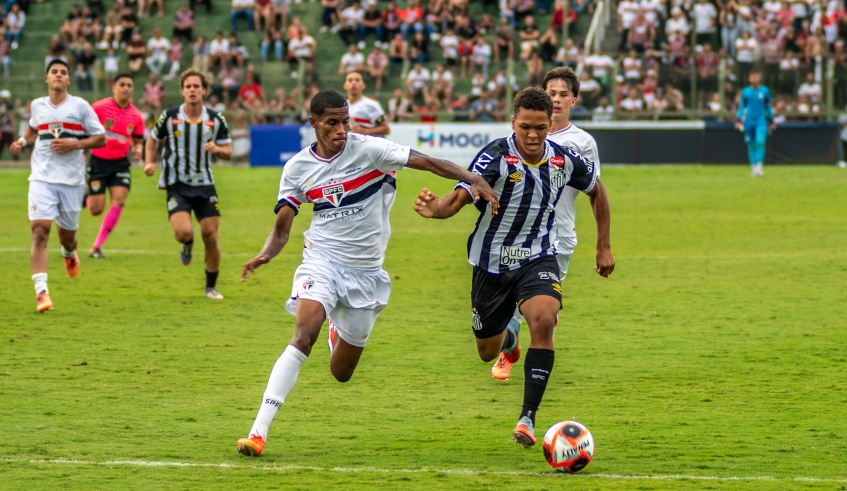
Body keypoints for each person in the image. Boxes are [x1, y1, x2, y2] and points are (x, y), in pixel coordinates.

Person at [234, 90, 498, 457]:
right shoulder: (297, 169)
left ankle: (337, 328)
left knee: (341, 372)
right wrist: (265, 254)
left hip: (366, 275)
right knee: (302, 335)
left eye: (345, 121)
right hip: (321, 261)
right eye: (332, 123)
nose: (342, 129)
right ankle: (258, 431)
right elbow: (282, 229)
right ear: (313, 123)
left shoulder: (371, 149)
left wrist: (474, 180)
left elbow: (428, 161)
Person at [412, 87, 613, 447]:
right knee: (487, 349)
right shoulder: (494, 157)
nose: (533, 135)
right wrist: (436, 209)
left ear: (550, 123)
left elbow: (596, 190)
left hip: (538, 257)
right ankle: (509, 338)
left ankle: (528, 418)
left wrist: (603, 246)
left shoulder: (563, 160)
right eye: (525, 127)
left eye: (540, 127)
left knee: (545, 319)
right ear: (513, 123)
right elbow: (458, 199)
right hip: (490, 265)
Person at [491, 66, 607, 380]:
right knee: (514, 301)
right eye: (551, 93)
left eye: (563, 94)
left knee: (533, 302)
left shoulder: (581, 143)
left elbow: (596, 192)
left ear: (574, 100)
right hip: (518, 234)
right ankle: (513, 343)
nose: (556, 99)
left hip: (560, 235)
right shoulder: (519, 137)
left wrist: (603, 247)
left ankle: (510, 349)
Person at [10, 59, 106, 312]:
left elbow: (101, 138)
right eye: (54, 72)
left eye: (63, 73)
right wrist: (21, 141)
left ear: (69, 79)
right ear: (47, 78)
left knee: (68, 237)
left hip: (72, 181)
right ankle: (42, 292)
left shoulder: (80, 106)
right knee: (40, 232)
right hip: (41, 178)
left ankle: (68, 253)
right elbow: (33, 129)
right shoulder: (38, 105)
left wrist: (74, 144)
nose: (59, 76)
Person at [143, 69, 232, 299]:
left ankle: (211, 286)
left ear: (204, 90)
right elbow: (152, 139)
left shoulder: (215, 118)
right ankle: (187, 243)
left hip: (204, 185)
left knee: (211, 236)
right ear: (182, 91)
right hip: (177, 184)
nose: (193, 90)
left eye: (197, 86)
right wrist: (148, 162)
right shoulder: (170, 116)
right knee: (183, 232)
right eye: (188, 86)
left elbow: (228, 152)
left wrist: (218, 149)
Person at [87, 73, 145, 258]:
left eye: (129, 85)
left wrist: (137, 149)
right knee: (95, 210)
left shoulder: (136, 115)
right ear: (114, 87)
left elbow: (137, 140)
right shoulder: (98, 108)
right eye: (122, 84)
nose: (126, 88)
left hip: (120, 164)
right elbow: (84, 129)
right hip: (98, 161)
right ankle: (86, 194)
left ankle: (96, 247)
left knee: (119, 200)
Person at [736, 70, 775, 177]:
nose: (754, 79)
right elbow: (741, 107)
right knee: (750, 145)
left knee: (759, 142)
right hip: (749, 122)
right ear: (749, 78)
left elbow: (769, 106)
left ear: (759, 78)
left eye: (756, 77)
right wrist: (738, 119)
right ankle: (754, 169)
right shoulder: (746, 92)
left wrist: (771, 119)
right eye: (752, 77)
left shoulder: (765, 91)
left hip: (761, 121)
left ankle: (759, 166)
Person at [344, 71, 389, 136]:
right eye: (350, 80)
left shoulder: (370, 104)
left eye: (357, 80)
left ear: (363, 85)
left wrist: (364, 131)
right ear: (345, 86)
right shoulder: (341, 106)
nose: (353, 83)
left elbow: (385, 129)